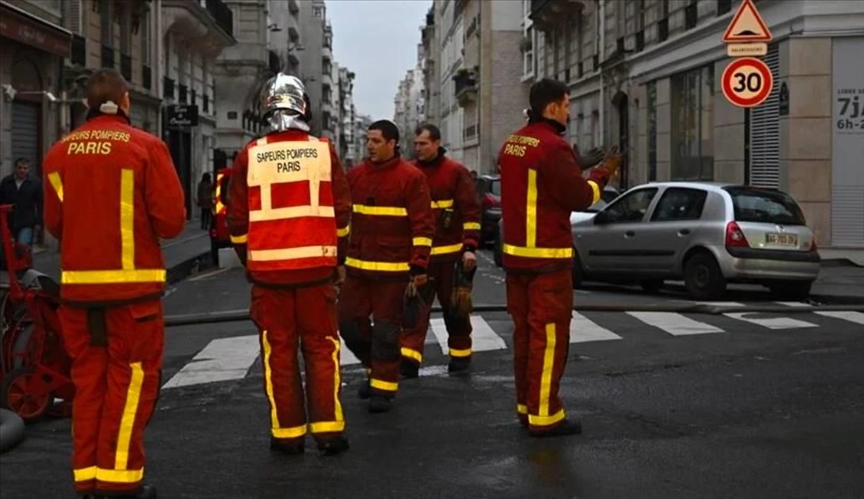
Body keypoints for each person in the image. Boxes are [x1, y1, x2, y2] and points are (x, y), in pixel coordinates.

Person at [42, 69, 186, 499]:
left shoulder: (57, 153)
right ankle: (119, 481)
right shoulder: (146, 147)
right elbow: (173, 222)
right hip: (132, 297)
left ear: (86, 102)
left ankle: (86, 477)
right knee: (130, 385)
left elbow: (55, 224)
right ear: (125, 101)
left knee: (89, 386)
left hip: (79, 296)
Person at [227, 74, 352, 456]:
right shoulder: (322, 150)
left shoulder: (250, 154)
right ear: (304, 107)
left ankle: (288, 433)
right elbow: (342, 214)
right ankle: (328, 430)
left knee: (277, 354)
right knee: (321, 348)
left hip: (269, 277)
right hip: (317, 272)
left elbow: (236, 221)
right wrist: (339, 260)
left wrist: (251, 260)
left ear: (265, 108)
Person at [498, 78, 620, 438]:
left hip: (516, 258)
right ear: (552, 108)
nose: (569, 110)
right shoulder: (553, 146)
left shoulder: (513, 143)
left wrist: (574, 163)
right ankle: (545, 414)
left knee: (524, 336)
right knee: (549, 338)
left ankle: (526, 405)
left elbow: (542, 184)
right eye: (567, 105)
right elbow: (580, 197)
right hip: (547, 259)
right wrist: (602, 173)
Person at [339, 119, 435, 413]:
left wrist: (418, 265)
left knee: (385, 331)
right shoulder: (354, 177)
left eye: (377, 141)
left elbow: (423, 226)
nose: (370, 145)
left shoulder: (411, 178)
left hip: (393, 273)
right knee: (349, 325)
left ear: (393, 144)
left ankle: (383, 386)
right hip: (357, 269)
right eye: (368, 140)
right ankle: (377, 367)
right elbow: (342, 221)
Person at [400, 123, 481, 378]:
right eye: (416, 144)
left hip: (451, 258)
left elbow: (470, 212)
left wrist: (469, 247)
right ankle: (409, 359)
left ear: (437, 143)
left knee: (456, 310)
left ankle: (460, 355)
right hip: (421, 260)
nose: (418, 148)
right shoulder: (410, 172)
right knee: (413, 312)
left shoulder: (455, 173)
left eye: (423, 144)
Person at [0, 157, 43, 247]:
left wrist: (39, 222)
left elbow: (40, 204)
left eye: (25, 168)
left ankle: (27, 260)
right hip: (9, 222)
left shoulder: (35, 183)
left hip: (26, 222)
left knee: (22, 247)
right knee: (8, 250)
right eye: (20, 168)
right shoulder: (6, 182)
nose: (22, 170)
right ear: (15, 168)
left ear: (29, 169)